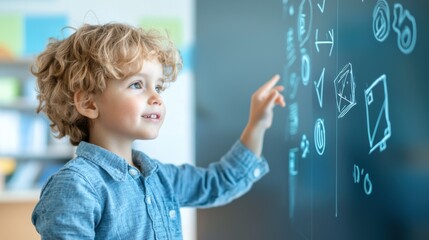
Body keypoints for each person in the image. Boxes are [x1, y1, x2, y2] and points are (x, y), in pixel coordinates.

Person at [31, 22, 285, 239]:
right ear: (88, 103)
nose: (156, 98)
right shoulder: (76, 185)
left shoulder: (159, 178)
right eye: (137, 84)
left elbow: (218, 183)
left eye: (159, 87)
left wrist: (257, 124)